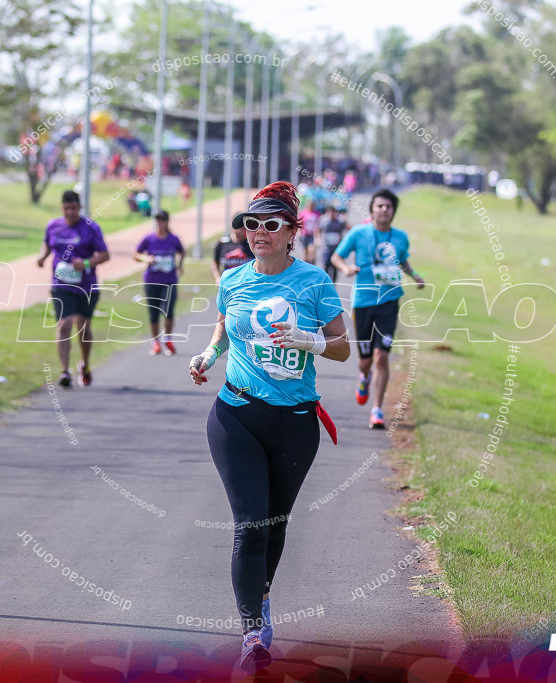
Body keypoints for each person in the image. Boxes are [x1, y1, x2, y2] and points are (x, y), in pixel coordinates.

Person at [188, 181, 350, 672]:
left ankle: (261, 598)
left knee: (274, 527)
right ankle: (252, 634)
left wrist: (308, 340)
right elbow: (223, 325)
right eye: (252, 225)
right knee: (250, 524)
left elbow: (343, 347)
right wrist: (208, 355)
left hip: (296, 423)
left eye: (270, 225)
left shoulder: (314, 282)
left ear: (291, 232)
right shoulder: (233, 278)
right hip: (235, 414)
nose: (258, 233)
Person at [330, 189, 424, 429]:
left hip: (389, 302)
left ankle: (377, 409)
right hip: (362, 304)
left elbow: (402, 259)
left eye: (388, 207)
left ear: (393, 212)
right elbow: (336, 257)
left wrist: (414, 275)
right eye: (380, 206)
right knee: (366, 360)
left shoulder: (401, 237)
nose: (384, 210)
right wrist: (347, 268)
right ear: (372, 210)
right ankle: (364, 376)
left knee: (382, 355)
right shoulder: (359, 233)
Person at [36, 190, 111, 388]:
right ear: (62, 208)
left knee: (83, 327)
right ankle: (64, 371)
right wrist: (42, 257)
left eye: (73, 208)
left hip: (86, 286)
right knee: (64, 324)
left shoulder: (90, 228)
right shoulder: (53, 226)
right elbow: (47, 244)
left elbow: (104, 254)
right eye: (66, 208)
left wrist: (86, 263)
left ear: (79, 208)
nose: (70, 212)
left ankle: (84, 364)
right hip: (61, 285)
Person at [134, 210, 184, 355]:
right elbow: (136, 254)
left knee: (168, 311)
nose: (160, 223)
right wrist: (146, 259)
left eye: (162, 220)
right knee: (153, 313)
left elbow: (181, 251)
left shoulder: (173, 239)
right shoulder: (149, 239)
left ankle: (168, 339)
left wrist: (180, 265)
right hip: (152, 280)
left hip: (169, 281)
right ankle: (155, 342)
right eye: (158, 220)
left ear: (167, 222)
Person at [319, 205, 349, 282]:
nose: (332, 214)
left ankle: (333, 284)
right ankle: (326, 284)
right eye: (330, 212)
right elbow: (318, 229)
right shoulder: (323, 221)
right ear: (327, 213)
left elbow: (349, 228)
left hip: (336, 249)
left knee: (335, 268)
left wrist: (346, 241)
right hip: (326, 248)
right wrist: (318, 239)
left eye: (333, 212)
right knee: (326, 267)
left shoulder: (340, 221)